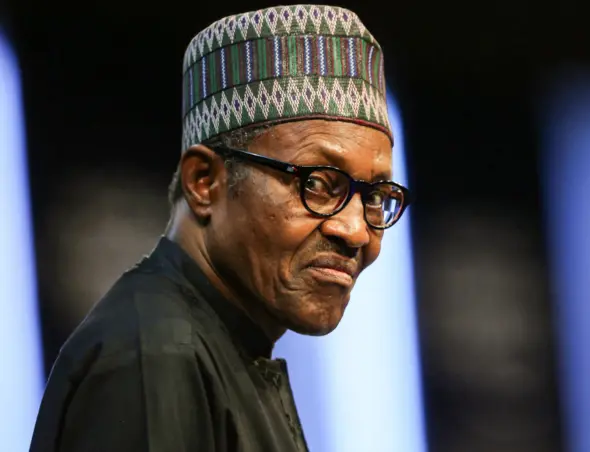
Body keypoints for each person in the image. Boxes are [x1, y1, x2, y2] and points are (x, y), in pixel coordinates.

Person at [29, 5, 412, 451]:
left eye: (374, 197)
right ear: (204, 182)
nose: (356, 231)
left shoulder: (221, 346)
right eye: (319, 184)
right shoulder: (154, 357)